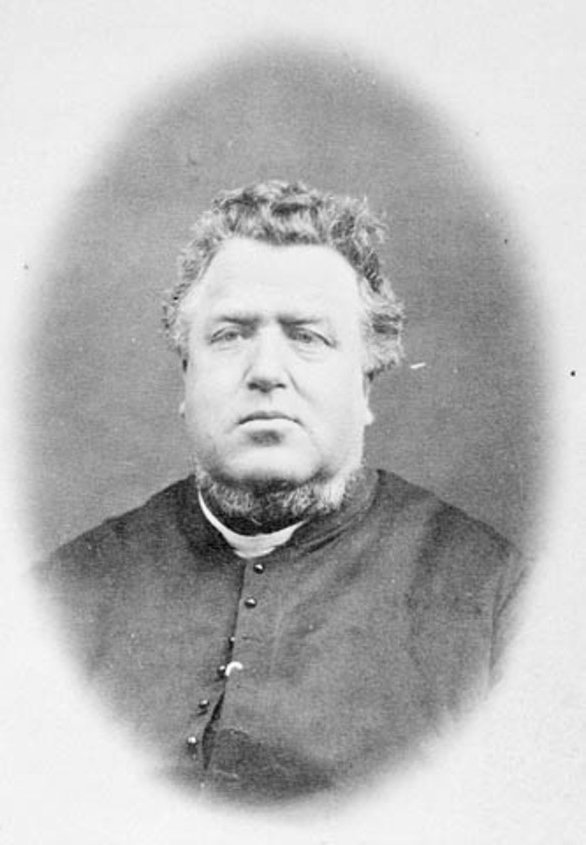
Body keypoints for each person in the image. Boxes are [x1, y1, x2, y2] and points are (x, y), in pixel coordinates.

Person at [37, 180, 526, 805]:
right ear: (186, 379)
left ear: (365, 387)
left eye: (308, 336)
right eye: (230, 335)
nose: (266, 371)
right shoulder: (60, 596)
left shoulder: (497, 599)